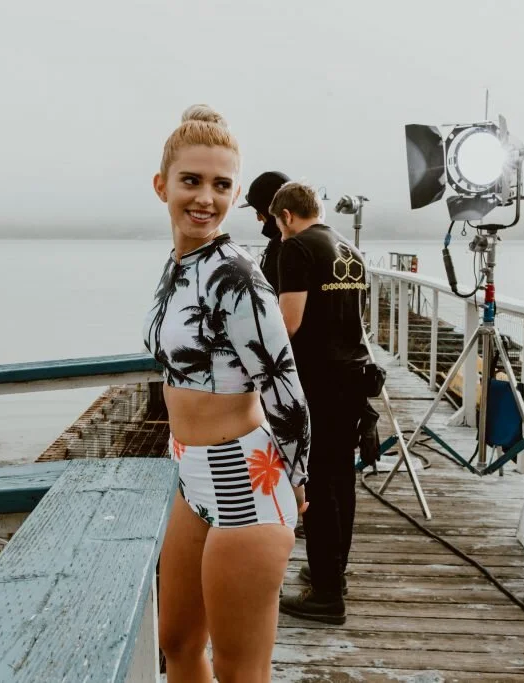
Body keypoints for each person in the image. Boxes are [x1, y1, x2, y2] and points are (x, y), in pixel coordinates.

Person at [142, 104, 312, 682]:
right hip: (191, 477)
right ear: (162, 184)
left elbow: (283, 383)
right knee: (179, 646)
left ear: (235, 192)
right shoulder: (178, 265)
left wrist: (297, 477)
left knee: (241, 673)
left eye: (221, 185)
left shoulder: (236, 274)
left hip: (245, 476)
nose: (205, 198)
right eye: (191, 181)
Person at [271, 181, 371, 625]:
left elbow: (288, 323)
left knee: (318, 484)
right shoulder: (349, 249)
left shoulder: (297, 250)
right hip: (353, 378)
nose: (279, 233)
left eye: (277, 224)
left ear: (287, 216)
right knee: (342, 482)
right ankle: (333, 572)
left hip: (320, 382)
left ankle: (327, 595)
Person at [239, 171, 290, 293]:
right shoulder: (309, 240)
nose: (258, 218)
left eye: (258, 212)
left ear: (270, 210)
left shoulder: (284, 248)